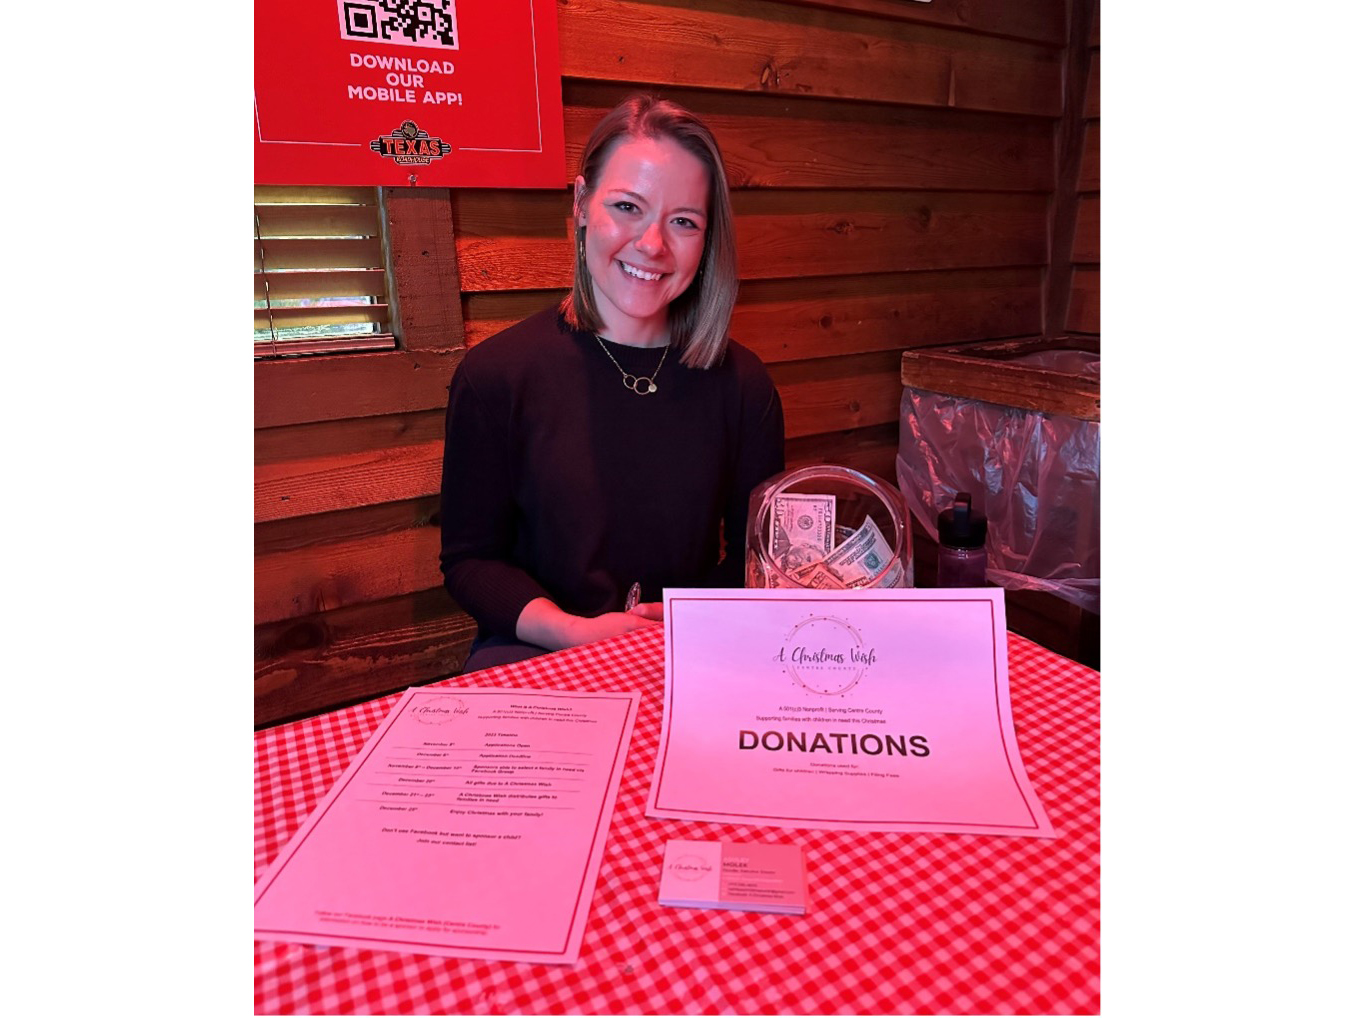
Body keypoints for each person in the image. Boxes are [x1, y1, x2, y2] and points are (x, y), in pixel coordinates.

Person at [439, 94, 786, 672]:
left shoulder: (744, 386)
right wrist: (575, 632)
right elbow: (471, 563)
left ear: (707, 239)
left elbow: (755, 560)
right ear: (580, 203)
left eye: (683, 222)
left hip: (693, 646)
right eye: (627, 207)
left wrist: (680, 621)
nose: (652, 244)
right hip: (537, 649)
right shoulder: (495, 376)